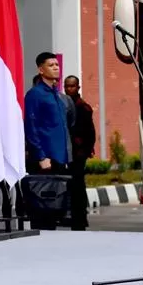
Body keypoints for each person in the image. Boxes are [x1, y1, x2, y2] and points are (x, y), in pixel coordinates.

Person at [24, 51, 70, 174]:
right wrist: (41, 157)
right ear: (41, 70)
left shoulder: (57, 95)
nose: (56, 67)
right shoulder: (35, 94)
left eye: (57, 64)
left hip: (61, 157)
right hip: (46, 160)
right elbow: (31, 127)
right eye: (51, 65)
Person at [64, 75, 97, 231]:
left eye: (72, 86)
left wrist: (85, 150)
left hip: (78, 153)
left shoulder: (83, 107)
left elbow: (90, 133)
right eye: (67, 86)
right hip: (65, 152)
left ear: (78, 87)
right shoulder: (63, 105)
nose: (69, 89)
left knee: (78, 185)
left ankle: (80, 218)